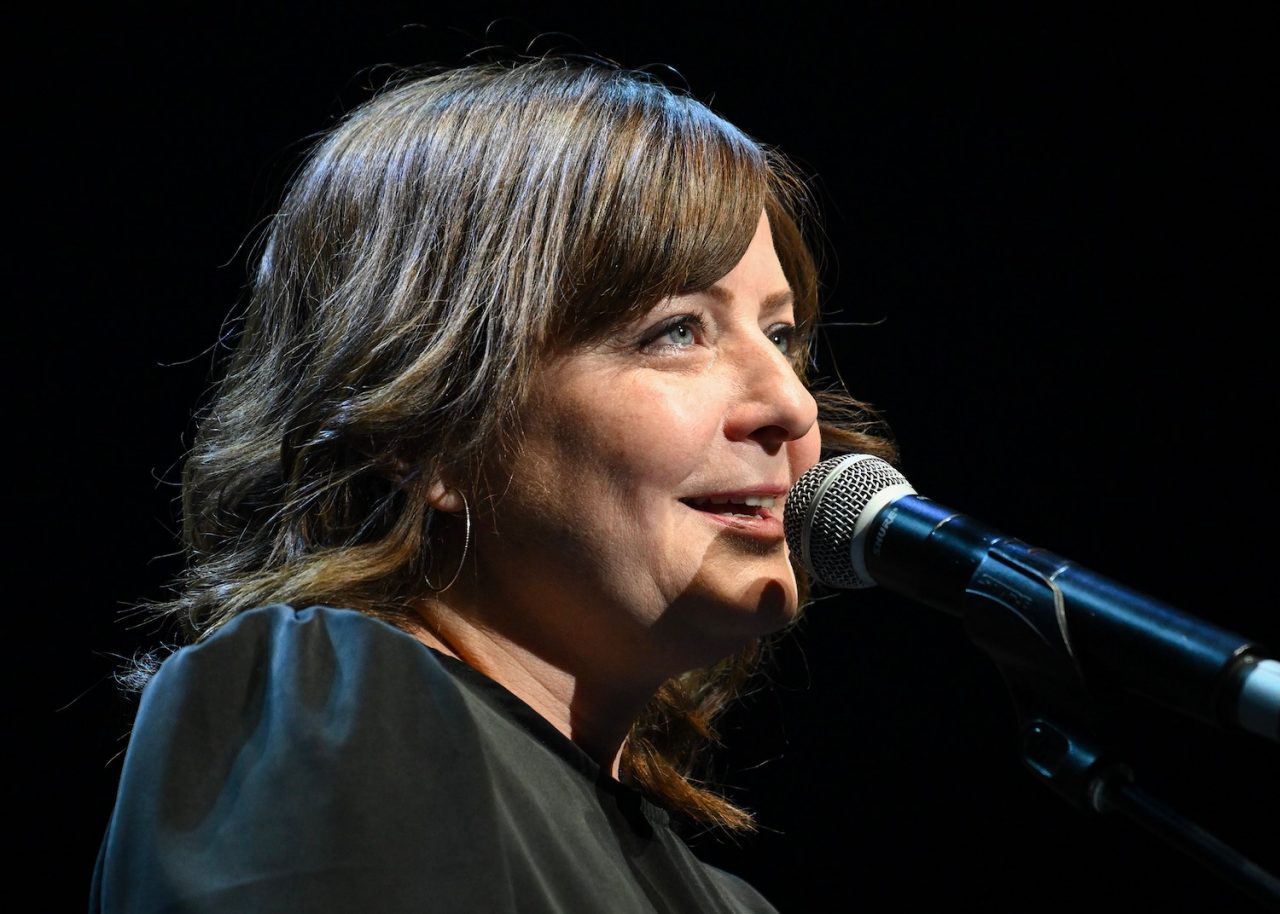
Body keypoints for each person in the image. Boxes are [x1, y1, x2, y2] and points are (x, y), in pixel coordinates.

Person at [90, 56, 896, 912]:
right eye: (674, 333)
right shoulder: (332, 709)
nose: (791, 403)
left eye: (781, 335)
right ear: (423, 427)